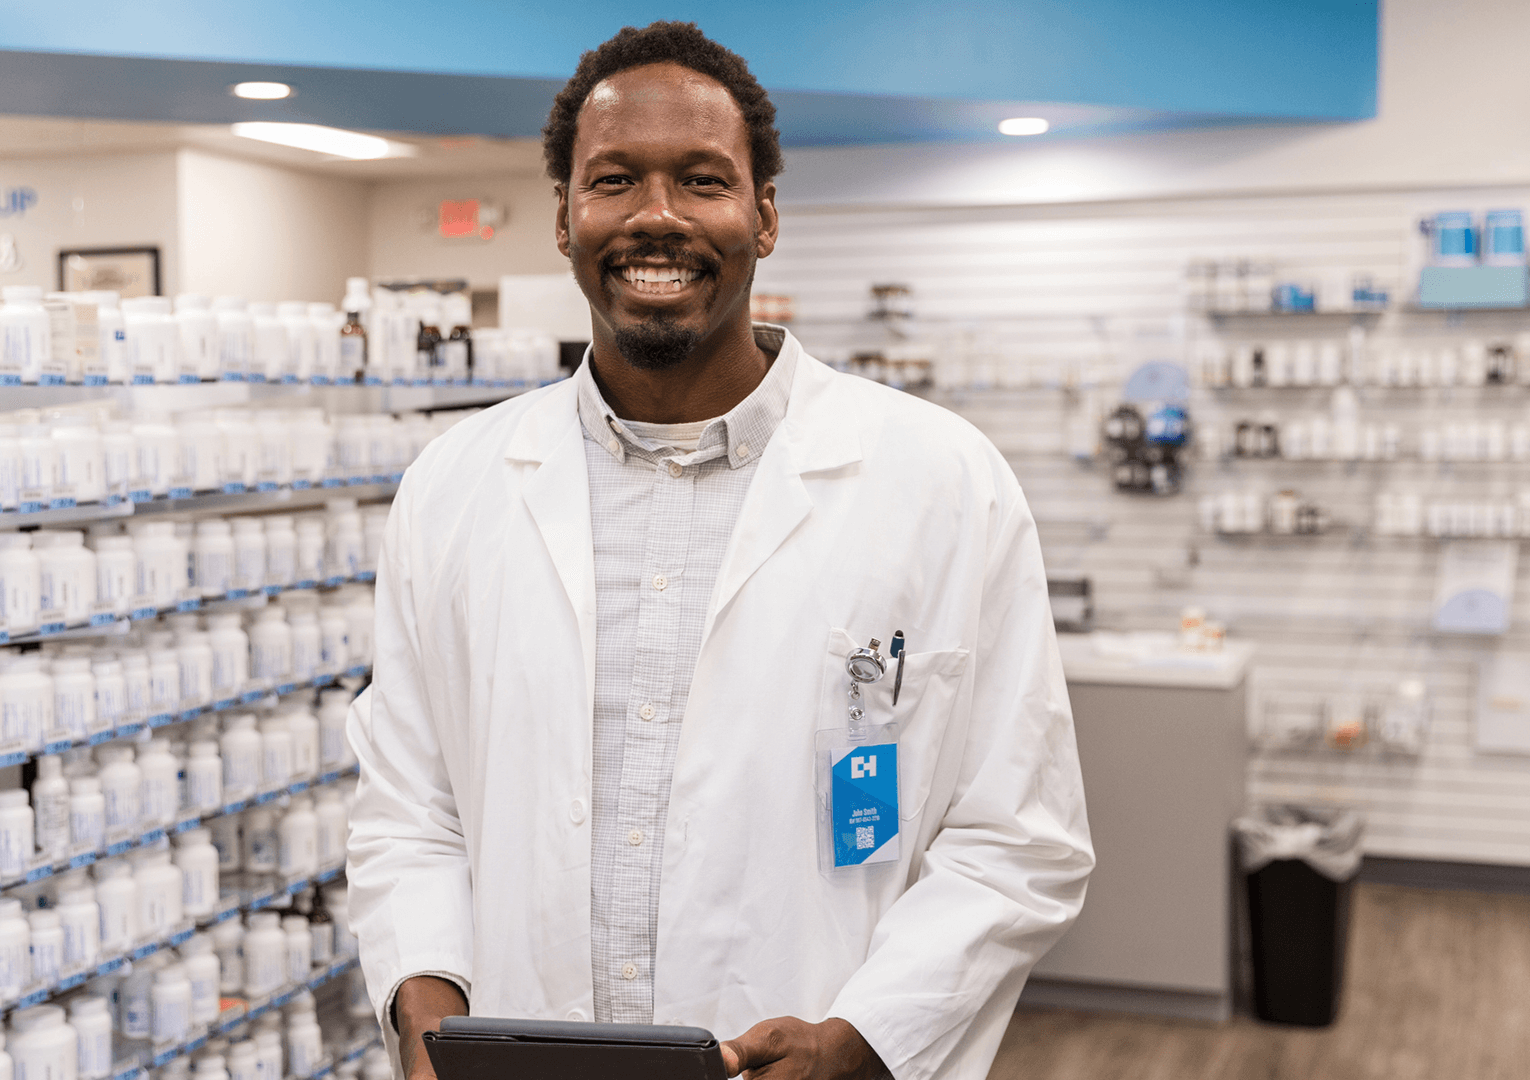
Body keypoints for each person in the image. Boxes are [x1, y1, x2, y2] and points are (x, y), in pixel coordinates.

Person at [346, 21, 1092, 1080]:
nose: (657, 216)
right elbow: (408, 809)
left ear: (765, 215)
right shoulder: (453, 488)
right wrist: (424, 1013)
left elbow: (1020, 836)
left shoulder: (941, 480)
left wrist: (869, 1039)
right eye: (614, 181)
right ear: (564, 218)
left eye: (702, 180)